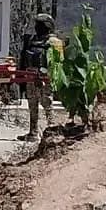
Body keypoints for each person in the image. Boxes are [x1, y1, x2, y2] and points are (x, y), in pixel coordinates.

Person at [18, 13, 64, 142]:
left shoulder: (55, 42)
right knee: (32, 104)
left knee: (47, 104)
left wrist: (49, 76)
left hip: (45, 77)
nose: (37, 27)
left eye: (40, 25)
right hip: (31, 76)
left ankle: (52, 130)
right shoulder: (32, 40)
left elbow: (58, 62)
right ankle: (33, 132)